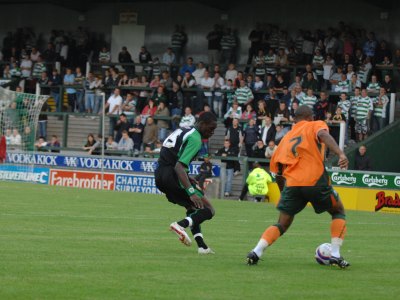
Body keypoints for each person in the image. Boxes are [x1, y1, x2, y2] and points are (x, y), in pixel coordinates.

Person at [246, 105, 350, 269]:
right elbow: (323, 134)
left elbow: (278, 173)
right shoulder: (315, 125)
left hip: (293, 185)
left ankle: (256, 251)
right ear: (310, 116)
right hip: (315, 179)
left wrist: (284, 194)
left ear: (295, 119)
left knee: (282, 224)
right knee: (338, 211)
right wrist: (341, 154)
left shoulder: (285, 139)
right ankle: (335, 255)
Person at [155, 112, 217, 254]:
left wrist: (188, 178)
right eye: (210, 128)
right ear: (201, 123)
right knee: (208, 209)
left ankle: (202, 247)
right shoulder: (196, 138)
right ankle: (179, 225)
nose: (212, 132)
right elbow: (179, 166)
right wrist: (191, 191)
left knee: (193, 207)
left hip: (160, 175)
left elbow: (172, 157)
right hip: (173, 175)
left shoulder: (184, 130)